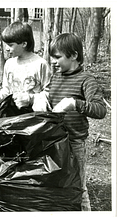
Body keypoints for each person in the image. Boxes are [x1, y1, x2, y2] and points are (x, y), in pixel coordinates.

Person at [48, 33, 107, 211]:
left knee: (78, 186)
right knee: (56, 183)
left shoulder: (86, 80)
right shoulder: (55, 77)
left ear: (73, 55)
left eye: (57, 57)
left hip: (74, 143)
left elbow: (100, 110)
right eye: (52, 57)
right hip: (53, 141)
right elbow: (48, 96)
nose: (53, 61)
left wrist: (75, 103)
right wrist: (40, 99)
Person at [0, 21, 52, 115]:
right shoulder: (9, 64)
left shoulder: (40, 64)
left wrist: (30, 99)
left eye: (10, 45)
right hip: (12, 116)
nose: (7, 48)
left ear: (24, 44)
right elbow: (6, 92)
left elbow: (50, 95)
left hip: (34, 118)